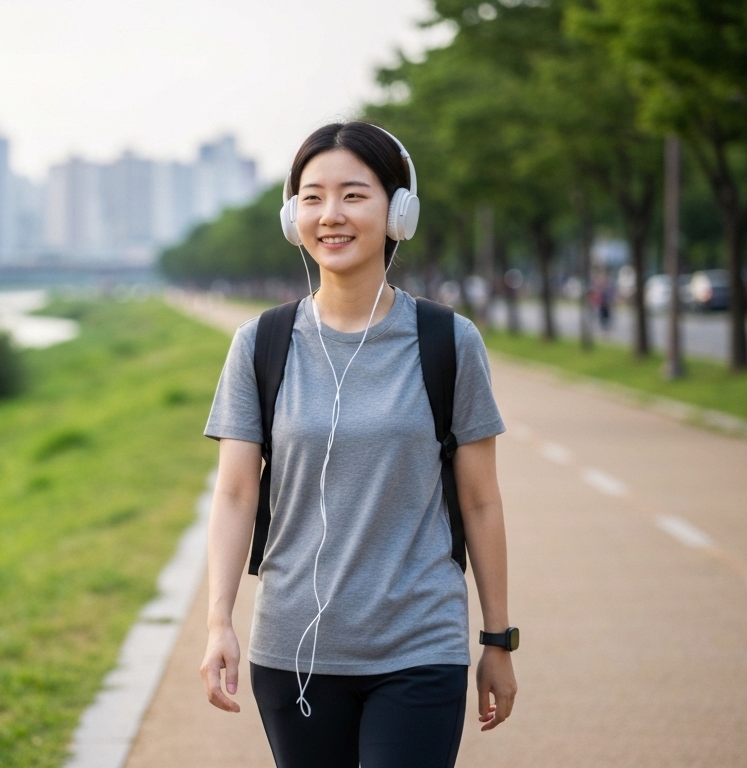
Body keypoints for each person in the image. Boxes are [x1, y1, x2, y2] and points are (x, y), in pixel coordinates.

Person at [198, 122, 517, 768]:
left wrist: (497, 639)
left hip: (420, 645)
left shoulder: (449, 342)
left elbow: (481, 500)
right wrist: (218, 621)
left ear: (399, 212)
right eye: (313, 197)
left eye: (353, 195)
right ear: (293, 218)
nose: (331, 215)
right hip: (293, 650)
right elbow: (234, 494)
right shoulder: (260, 345)